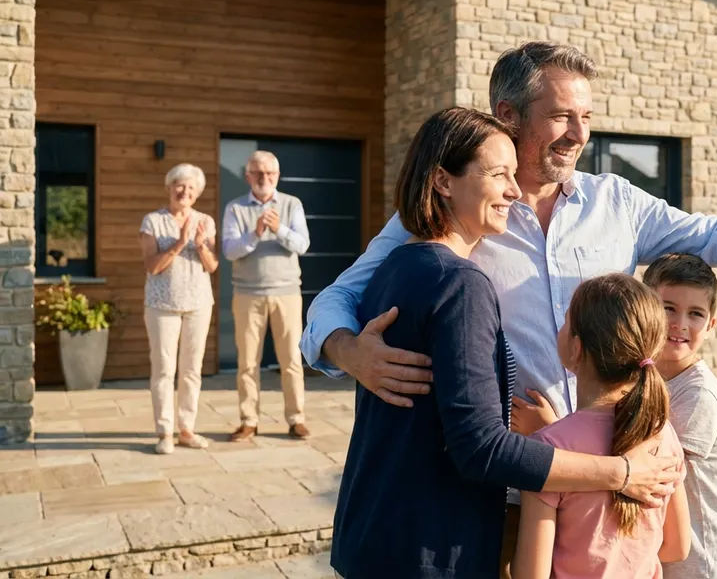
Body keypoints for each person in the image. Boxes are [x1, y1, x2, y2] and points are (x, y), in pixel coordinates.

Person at [301, 41, 717, 568]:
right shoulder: (458, 212)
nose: (579, 134)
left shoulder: (617, 203)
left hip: (604, 487)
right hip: (506, 491)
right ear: (507, 115)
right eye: (561, 115)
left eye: (586, 116)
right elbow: (339, 296)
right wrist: (346, 349)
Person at [331, 107, 681, 579]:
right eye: (498, 175)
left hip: (374, 532)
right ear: (442, 181)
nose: (515, 192)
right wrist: (620, 473)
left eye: (514, 175)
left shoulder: (396, 268)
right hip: (427, 548)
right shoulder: (459, 283)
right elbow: (480, 448)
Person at [512, 273, 691, 579]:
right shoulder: (663, 434)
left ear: (577, 348)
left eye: (567, 322)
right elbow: (676, 547)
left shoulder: (547, 451)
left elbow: (530, 575)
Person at [645, 253, 717, 579]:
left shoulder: (698, 395)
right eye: (668, 308)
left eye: (695, 314)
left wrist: (554, 435)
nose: (680, 324)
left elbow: (648, 470)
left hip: (707, 567)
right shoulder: (647, 378)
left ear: (711, 324)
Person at [221, 150, 311, 441]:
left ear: (277, 176)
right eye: (258, 173)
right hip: (247, 295)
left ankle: (296, 418)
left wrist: (278, 228)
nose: (264, 178)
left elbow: (302, 244)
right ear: (248, 177)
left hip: (286, 293)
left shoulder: (291, 204)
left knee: (291, 360)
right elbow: (229, 250)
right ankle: (249, 421)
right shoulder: (235, 209)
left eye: (270, 173)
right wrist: (255, 233)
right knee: (247, 362)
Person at [139, 163, 220, 455]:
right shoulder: (152, 221)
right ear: (169, 188)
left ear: (196, 194)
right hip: (162, 305)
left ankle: (186, 429)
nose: (184, 191)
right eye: (179, 185)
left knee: (191, 370)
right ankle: (164, 432)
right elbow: (152, 266)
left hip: (198, 304)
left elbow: (212, 266)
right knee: (163, 369)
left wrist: (199, 246)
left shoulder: (205, 221)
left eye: (190, 188)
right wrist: (179, 243)